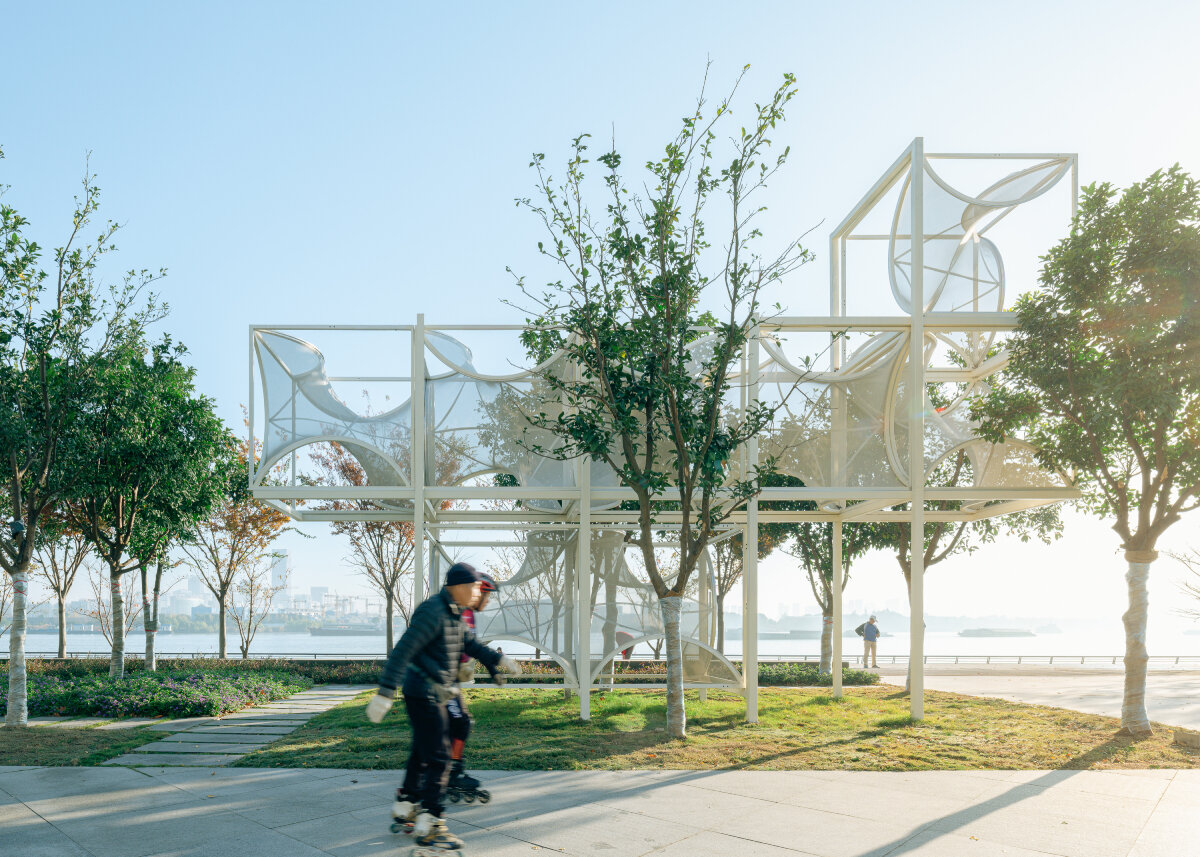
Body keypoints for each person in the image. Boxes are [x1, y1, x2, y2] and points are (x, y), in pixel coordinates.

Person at [366, 562, 520, 851]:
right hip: (423, 694)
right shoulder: (433, 611)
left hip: (434, 694)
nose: (478, 594)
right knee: (439, 757)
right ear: (460, 586)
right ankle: (432, 824)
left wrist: (497, 660)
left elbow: (469, 644)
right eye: (475, 588)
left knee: (424, 751)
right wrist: (385, 693)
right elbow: (403, 650)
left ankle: (407, 805)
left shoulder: (453, 613)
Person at [445, 572, 498, 803]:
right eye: (486, 595)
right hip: (439, 681)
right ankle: (450, 773)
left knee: (458, 723)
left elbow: (471, 646)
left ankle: (450, 771)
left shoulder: (469, 614)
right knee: (459, 722)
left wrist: (492, 668)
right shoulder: (463, 612)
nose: (487, 601)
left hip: (449, 680)